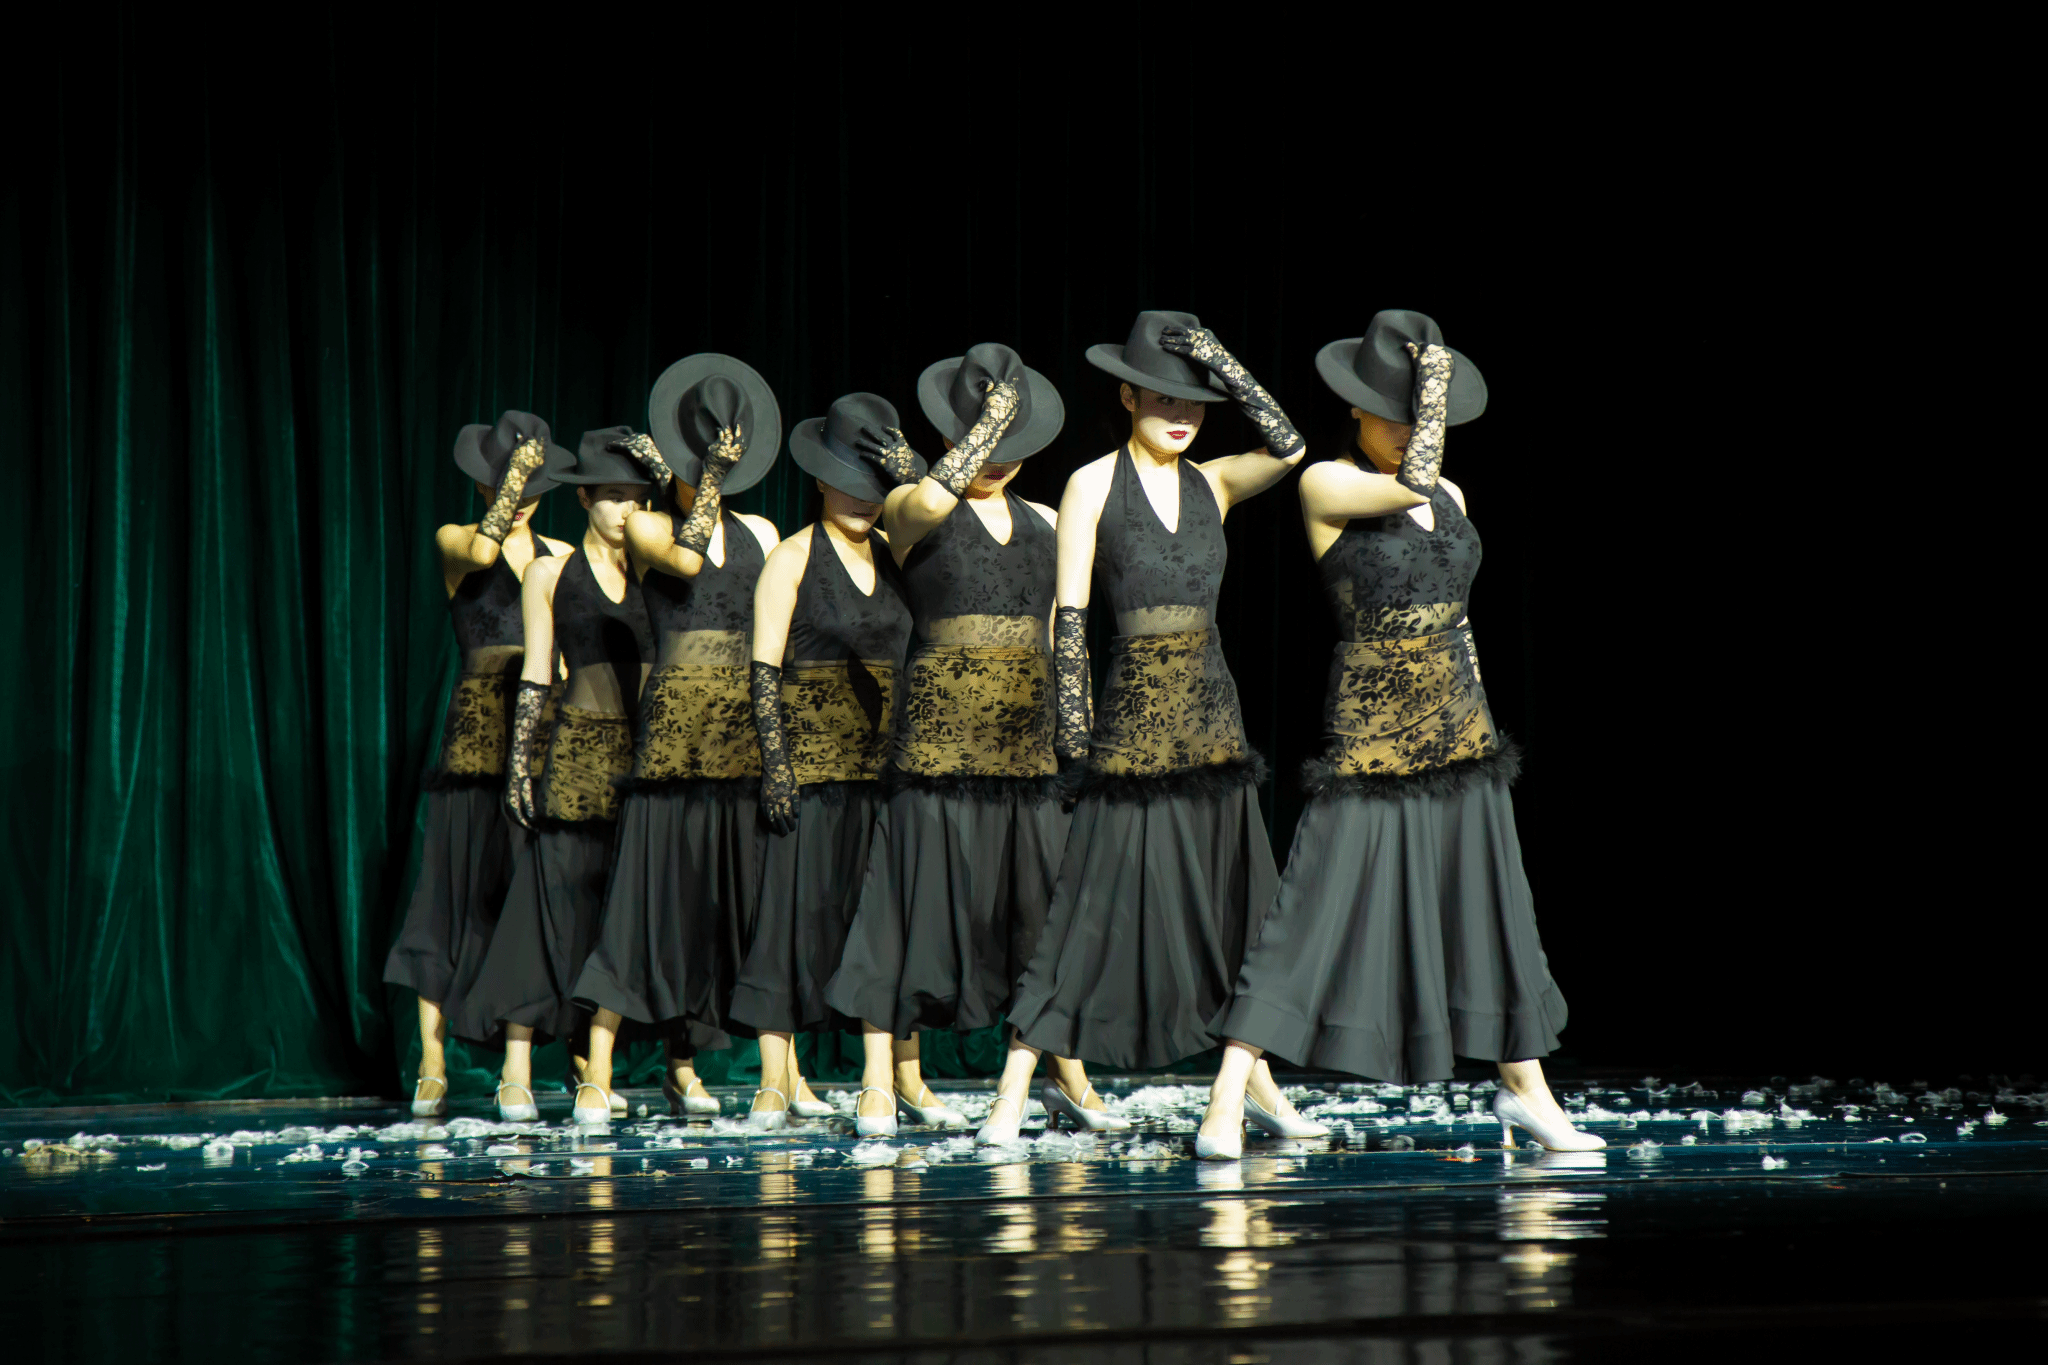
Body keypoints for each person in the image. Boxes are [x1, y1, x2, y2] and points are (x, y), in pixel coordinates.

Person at [1198, 310, 1599, 1157]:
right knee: (1310, 909)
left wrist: (1479, 714)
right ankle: (1227, 1095)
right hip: (1373, 733)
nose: (1415, 431)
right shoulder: (1327, 485)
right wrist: (1436, 382)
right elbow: (1413, 481)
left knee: (1492, 911)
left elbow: (1462, 619)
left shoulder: (1454, 497)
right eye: (1397, 414)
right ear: (1354, 406)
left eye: (1425, 417)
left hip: (1459, 725)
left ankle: (1526, 1088)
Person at [989, 311, 1319, 1144]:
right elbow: (1069, 619)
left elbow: (1289, 446)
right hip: (1131, 731)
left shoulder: (1216, 482)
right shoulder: (1092, 483)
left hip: (1212, 725)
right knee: (1088, 911)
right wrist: (1075, 739)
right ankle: (1012, 1090)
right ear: (1127, 395)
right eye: (1162, 396)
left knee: (1240, 917)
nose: (1181, 414)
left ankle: (1256, 1086)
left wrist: (1222, 361)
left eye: (1194, 401)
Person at [824, 343, 1104, 1138]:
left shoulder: (1048, 521)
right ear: (952, 434)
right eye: (984, 440)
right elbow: (928, 500)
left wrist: (1075, 732)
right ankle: (878, 1077)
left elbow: (1060, 632)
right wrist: (981, 430)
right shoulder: (910, 502)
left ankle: (1065, 1071)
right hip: (940, 745)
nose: (997, 459)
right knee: (903, 908)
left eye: (1013, 443)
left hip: (1025, 748)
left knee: (1042, 916)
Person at [572, 355, 783, 1119]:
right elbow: (688, 559)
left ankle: (698, 1065)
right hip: (671, 743)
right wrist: (696, 480)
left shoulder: (762, 531)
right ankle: (597, 1065)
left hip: (740, 742)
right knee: (646, 901)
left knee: (728, 910)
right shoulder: (648, 523)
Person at [450, 430, 653, 1123]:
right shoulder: (551, 572)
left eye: (639, 498)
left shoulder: (658, 570)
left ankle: (598, 1068)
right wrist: (519, 764)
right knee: (544, 909)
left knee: (621, 916)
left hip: (645, 761)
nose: (628, 510)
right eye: (615, 496)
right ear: (585, 497)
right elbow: (537, 673)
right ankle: (515, 1068)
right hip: (575, 757)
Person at [735, 392, 917, 1130]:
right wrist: (777, 768)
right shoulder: (791, 557)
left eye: (875, 484)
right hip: (810, 774)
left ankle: (897, 1077)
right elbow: (762, 670)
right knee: (789, 922)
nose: (863, 497)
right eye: (848, 481)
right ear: (818, 478)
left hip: (884, 774)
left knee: (880, 926)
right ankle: (774, 1077)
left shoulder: (897, 556)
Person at [383, 413, 572, 1117]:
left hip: (545, 736)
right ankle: (432, 1058)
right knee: (448, 895)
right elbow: (487, 546)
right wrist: (510, 481)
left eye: (529, 486)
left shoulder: (562, 554)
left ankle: (526, 1061)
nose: (519, 497)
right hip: (476, 737)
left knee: (530, 897)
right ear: (483, 483)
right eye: (504, 484)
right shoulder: (455, 540)